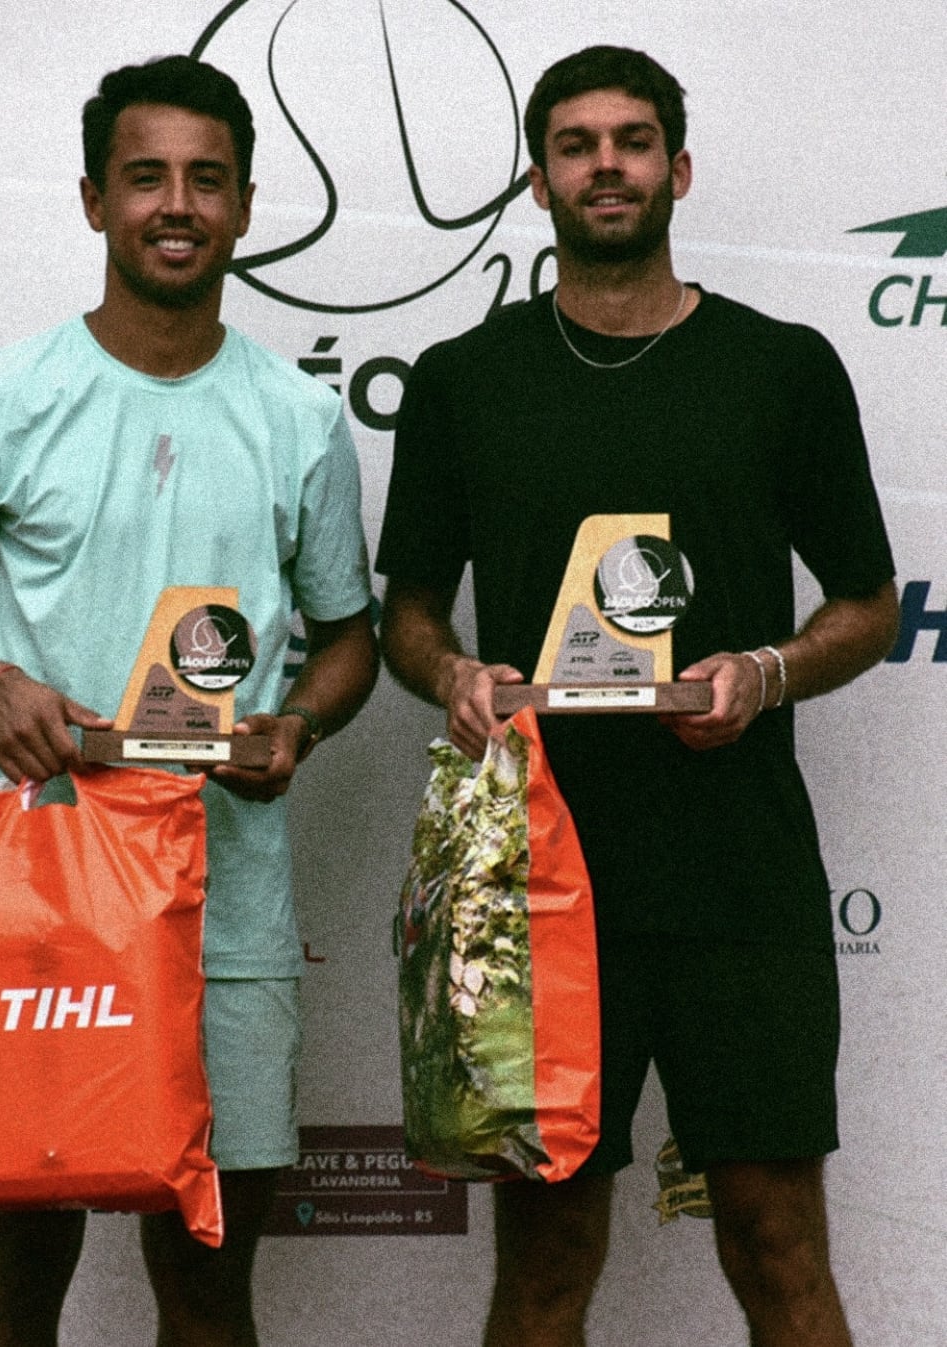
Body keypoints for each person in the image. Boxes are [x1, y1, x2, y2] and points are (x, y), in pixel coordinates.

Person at [376, 44, 898, 1347]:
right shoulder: (461, 382)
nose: (603, 164)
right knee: (545, 1258)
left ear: (676, 165)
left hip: (740, 875)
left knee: (776, 1240)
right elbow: (405, 615)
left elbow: (866, 603)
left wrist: (766, 670)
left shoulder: (780, 369)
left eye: (628, 140)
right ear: (538, 180)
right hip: (534, 878)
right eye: (573, 144)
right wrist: (452, 675)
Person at [0, 54, 377, 1347]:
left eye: (206, 179)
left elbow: (349, 641)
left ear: (247, 207)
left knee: (208, 1294)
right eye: (144, 177)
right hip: (44, 910)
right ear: (93, 201)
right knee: (16, 1287)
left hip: (228, 914)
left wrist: (297, 725)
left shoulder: (301, 420)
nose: (176, 204)